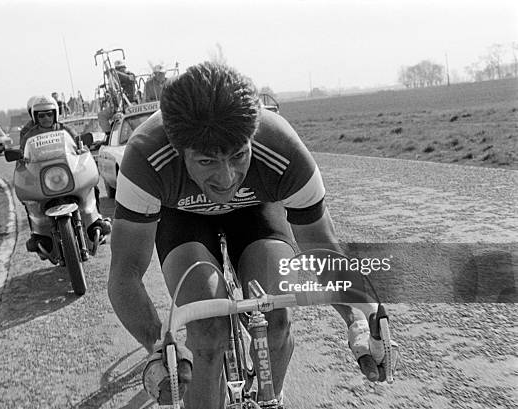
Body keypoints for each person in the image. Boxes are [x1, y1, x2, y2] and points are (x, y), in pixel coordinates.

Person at [107, 62, 391, 408]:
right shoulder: (146, 158)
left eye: (238, 155)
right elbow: (126, 273)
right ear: (179, 151)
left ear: (253, 138)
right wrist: (159, 348)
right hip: (182, 217)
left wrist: (361, 320)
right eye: (207, 162)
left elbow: (322, 249)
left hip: (255, 211)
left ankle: (272, 398)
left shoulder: (284, 151)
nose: (226, 179)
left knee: (276, 316)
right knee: (207, 331)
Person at [20, 95, 111, 251]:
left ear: (55, 113)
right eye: (41, 115)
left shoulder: (65, 129)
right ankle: (37, 234)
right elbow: (23, 155)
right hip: (43, 177)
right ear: (35, 117)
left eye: (49, 114)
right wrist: (22, 160)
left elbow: (79, 144)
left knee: (91, 186)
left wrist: (83, 149)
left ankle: (96, 219)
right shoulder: (29, 134)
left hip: (66, 173)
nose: (46, 118)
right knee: (30, 201)